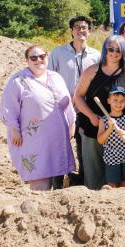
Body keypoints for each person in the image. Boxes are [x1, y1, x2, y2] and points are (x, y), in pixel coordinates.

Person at [0, 45, 76, 191]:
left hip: (56, 134)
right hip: (33, 137)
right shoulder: (18, 81)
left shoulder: (56, 77)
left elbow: (67, 103)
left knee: (57, 170)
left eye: (42, 56)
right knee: (40, 174)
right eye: (33, 58)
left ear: (47, 57)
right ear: (27, 60)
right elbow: (9, 107)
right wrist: (14, 129)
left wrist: (72, 122)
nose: (38, 60)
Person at [73, 35, 125, 190]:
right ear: (105, 50)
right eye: (111, 49)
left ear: (124, 52)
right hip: (94, 129)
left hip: (121, 134)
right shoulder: (92, 71)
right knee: (95, 173)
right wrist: (91, 116)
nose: (114, 53)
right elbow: (78, 97)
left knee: (121, 177)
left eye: (118, 50)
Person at [47, 15, 99, 186]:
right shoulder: (58, 53)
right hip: (62, 111)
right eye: (77, 27)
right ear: (71, 31)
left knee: (84, 149)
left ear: (89, 32)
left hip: (86, 110)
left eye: (84, 27)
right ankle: (57, 184)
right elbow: (49, 78)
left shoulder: (96, 56)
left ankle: (82, 182)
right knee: (60, 149)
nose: (81, 30)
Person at [97, 86, 125, 188]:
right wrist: (110, 128)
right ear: (108, 101)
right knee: (112, 184)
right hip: (111, 157)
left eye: (122, 101)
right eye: (115, 100)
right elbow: (100, 140)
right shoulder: (104, 120)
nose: (119, 104)